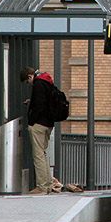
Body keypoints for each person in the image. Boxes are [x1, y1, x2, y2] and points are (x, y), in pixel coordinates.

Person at [21, 67, 82, 195]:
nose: (29, 84)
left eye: (27, 81)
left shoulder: (38, 84)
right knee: (43, 154)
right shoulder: (47, 82)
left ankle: (42, 187)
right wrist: (31, 102)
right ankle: (48, 184)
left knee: (38, 156)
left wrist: (31, 122)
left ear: (30, 76)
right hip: (48, 124)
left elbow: (40, 105)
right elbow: (46, 102)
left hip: (39, 124)